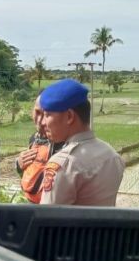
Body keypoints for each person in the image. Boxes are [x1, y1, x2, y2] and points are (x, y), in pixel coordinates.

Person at [37, 78, 125, 206]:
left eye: (48, 115)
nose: (43, 122)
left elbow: (46, 218)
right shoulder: (111, 155)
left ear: (69, 116)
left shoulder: (65, 163)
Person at [16, 96, 64, 203]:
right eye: (37, 112)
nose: (40, 120)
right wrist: (19, 165)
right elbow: (31, 173)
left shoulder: (65, 142)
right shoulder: (34, 138)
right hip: (31, 203)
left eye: (46, 114)